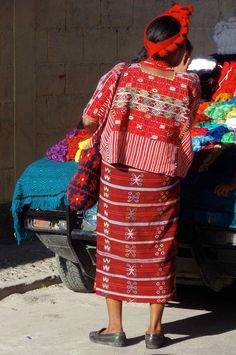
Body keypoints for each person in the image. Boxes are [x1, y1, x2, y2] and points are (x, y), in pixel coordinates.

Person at [82, 3, 200, 349]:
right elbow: (187, 123)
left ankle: (114, 329)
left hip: (118, 174)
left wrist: (84, 131)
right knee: (158, 247)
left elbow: (91, 118)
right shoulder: (188, 83)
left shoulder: (121, 73)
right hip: (160, 180)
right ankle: (154, 331)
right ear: (179, 49)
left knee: (113, 246)